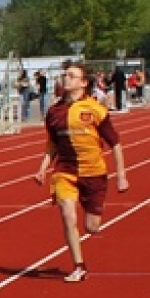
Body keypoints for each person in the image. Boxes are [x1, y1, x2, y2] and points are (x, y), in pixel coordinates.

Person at [33, 61, 129, 283]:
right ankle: (79, 266)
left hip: (93, 173)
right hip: (65, 171)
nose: (66, 79)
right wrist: (42, 169)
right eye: (65, 75)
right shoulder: (53, 112)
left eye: (72, 75)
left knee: (91, 227)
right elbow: (52, 144)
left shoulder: (95, 109)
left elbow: (115, 143)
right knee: (68, 215)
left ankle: (86, 243)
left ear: (83, 83)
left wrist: (122, 176)